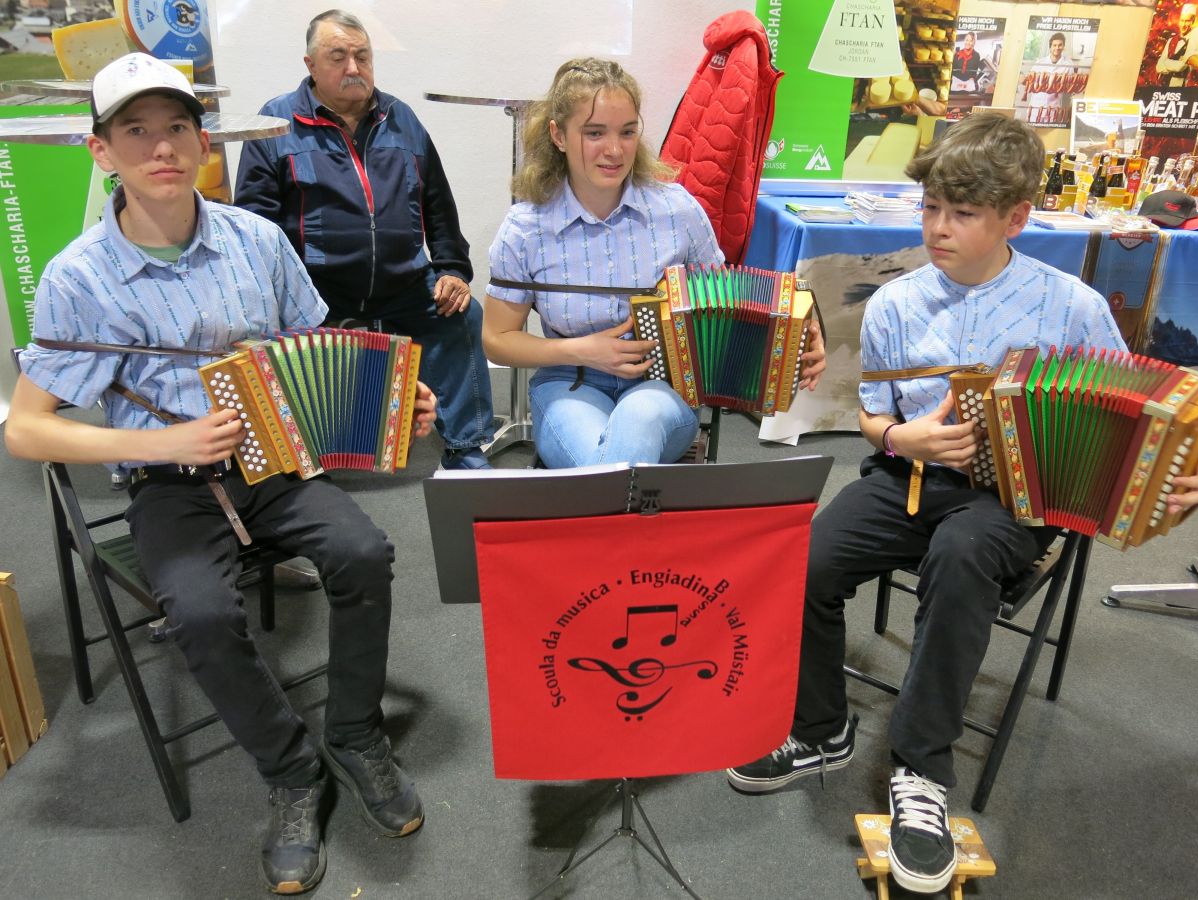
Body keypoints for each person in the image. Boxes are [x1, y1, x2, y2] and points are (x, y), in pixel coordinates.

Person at [5, 53, 434, 894]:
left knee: (363, 552)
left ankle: (354, 733)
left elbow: (314, 344)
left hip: (273, 456)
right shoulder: (77, 278)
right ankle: (291, 771)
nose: (162, 148)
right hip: (168, 481)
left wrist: (392, 396)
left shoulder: (255, 239)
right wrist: (166, 444)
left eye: (178, 128)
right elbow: (25, 430)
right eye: (136, 131)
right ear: (101, 151)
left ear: (204, 142)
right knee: (200, 613)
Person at [725, 113, 1125, 895]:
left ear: (1016, 217)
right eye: (931, 208)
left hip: (1009, 501)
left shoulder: (1072, 309)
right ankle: (821, 727)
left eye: (962, 213)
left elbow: (1126, 414)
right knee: (804, 559)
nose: (938, 228)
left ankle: (921, 770)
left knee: (961, 555)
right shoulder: (896, 302)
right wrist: (900, 437)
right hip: (904, 478)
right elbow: (872, 418)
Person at [483, 58, 825, 467]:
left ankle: (604, 504)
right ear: (558, 135)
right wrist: (581, 351)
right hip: (569, 383)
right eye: (595, 133)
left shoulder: (677, 210)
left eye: (627, 132)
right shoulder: (526, 229)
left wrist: (797, 336)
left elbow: (730, 306)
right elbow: (497, 339)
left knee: (638, 419)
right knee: (610, 462)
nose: (614, 150)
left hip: (664, 387)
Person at [236, 8, 494, 471]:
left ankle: (466, 447)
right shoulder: (275, 123)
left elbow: (438, 205)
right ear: (311, 65)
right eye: (338, 57)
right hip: (317, 293)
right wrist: (275, 295)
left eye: (363, 56)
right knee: (275, 346)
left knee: (461, 313)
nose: (353, 68)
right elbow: (255, 224)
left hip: (403, 284)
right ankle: (306, 452)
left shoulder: (401, 119)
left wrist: (453, 269)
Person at [1156, 3, 1198, 88]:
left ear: (1193, 21)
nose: (1183, 25)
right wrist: (1177, 64)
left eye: (1187, 21)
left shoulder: (1196, 40)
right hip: (1164, 86)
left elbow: (1182, 66)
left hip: (1183, 88)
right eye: (1182, 20)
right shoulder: (1171, 40)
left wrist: (1166, 62)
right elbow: (1159, 66)